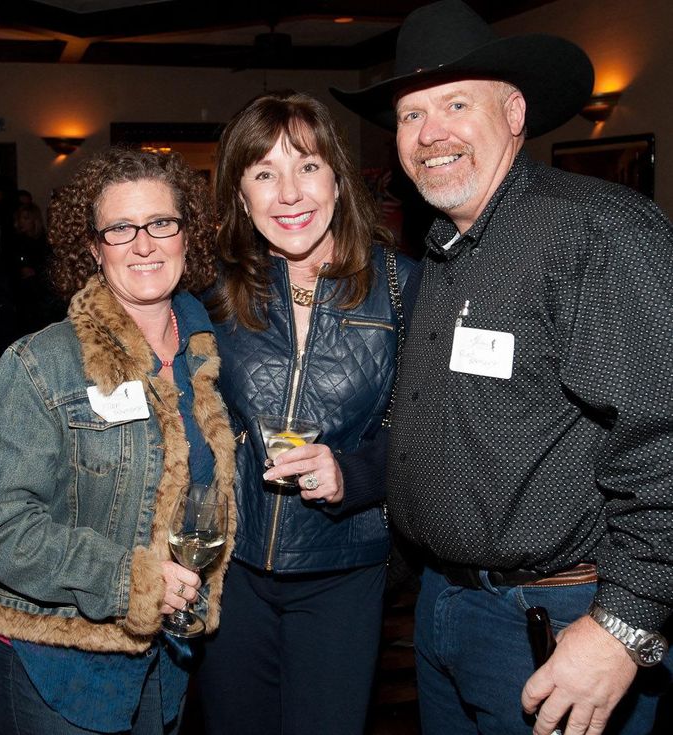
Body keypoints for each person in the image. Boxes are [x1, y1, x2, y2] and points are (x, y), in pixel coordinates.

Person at [331, 2, 673, 734]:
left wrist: (622, 625)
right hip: (443, 608)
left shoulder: (594, 233)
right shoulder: (443, 250)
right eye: (411, 116)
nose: (431, 134)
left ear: (514, 111)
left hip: (559, 620)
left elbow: (664, 437)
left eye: (457, 104)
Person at [0, 147, 237, 735]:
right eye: (120, 229)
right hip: (57, 661)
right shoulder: (42, 363)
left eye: (162, 223)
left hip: (167, 659)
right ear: (92, 247)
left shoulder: (208, 360)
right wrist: (130, 580)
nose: (144, 244)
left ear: (189, 236)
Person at [197, 90, 421, 735]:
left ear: (338, 181)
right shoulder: (210, 290)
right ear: (240, 195)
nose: (289, 193)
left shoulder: (405, 286)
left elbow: (428, 434)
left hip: (343, 570)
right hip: (229, 570)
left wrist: (355, 473)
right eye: (264, 173)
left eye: (307, 166)